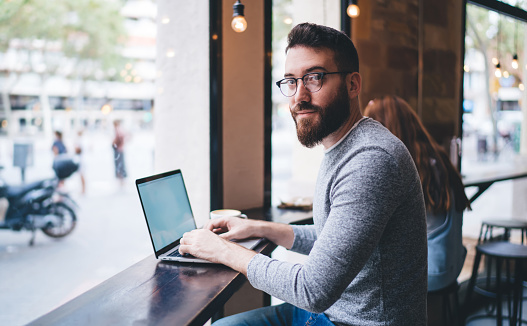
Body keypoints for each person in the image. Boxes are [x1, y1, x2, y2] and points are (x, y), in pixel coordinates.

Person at [180, 23, 428, 325]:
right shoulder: (343, 144)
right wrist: (259, 228)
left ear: (353, 85)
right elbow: (331, 240)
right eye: (291, 81)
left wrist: (222, 250)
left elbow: (313, 289)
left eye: (314, 78)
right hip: (330, 313)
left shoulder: (371, 159)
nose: (299, 96)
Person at [363, 95, 471, 292]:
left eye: (371, 126)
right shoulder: (436, 157)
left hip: (430, 272)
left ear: (384, 128)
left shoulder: (402, 165)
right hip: (453, 264)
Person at [112, 120, 127, 186]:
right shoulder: (119, 129)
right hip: (120, 149)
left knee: (119, 164)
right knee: (120, 163)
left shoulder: (118, 129)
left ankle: (121, 180)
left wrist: (115, 143)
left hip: (118, 149)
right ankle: (121, 180)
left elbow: (120, 138)